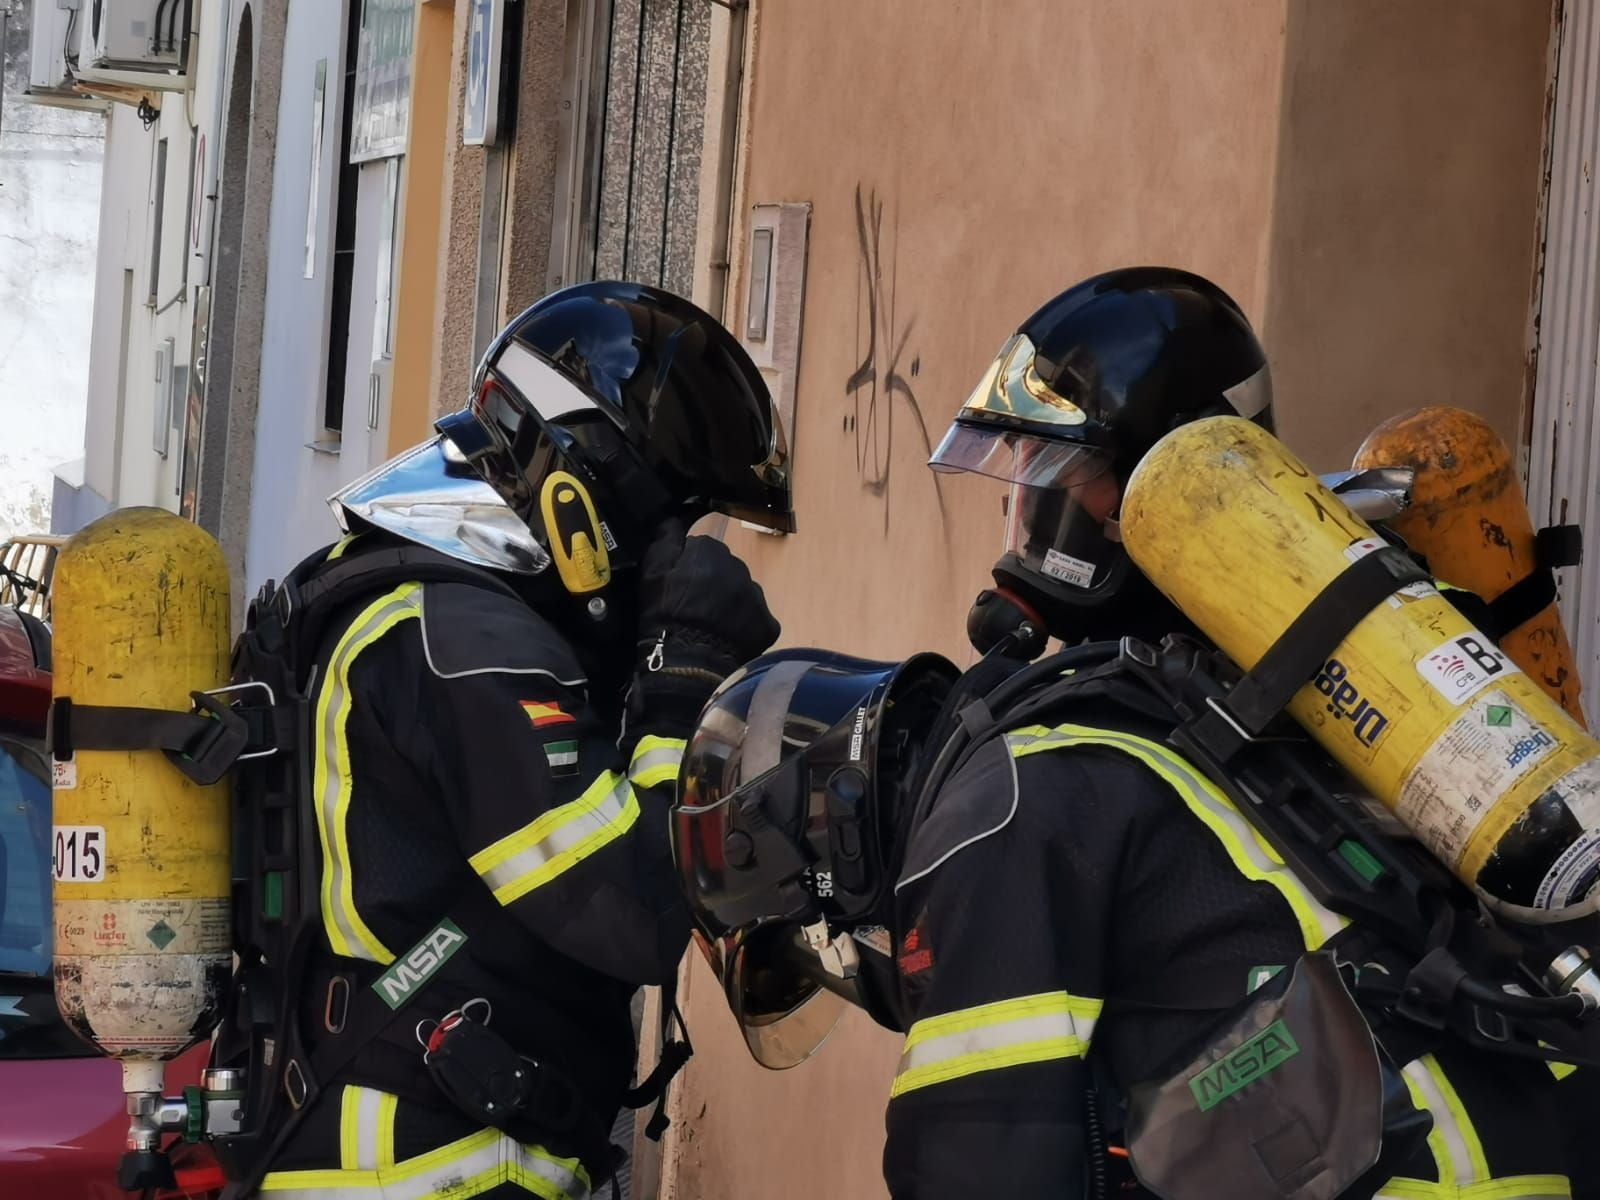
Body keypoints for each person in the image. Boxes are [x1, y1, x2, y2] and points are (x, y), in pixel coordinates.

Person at [672, 268, 1592, 1200]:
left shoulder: (1012, 797)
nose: (1028, 522)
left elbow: (977, 1167)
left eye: (1056, 479)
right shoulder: (1224, 706)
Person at [207, 282, 791, 1199]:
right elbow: (634, 911)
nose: (675, 565)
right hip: (423, 1169)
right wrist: (681, 683)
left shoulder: (398, 602)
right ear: (587, 500)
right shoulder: (466, 645)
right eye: (675, 533)